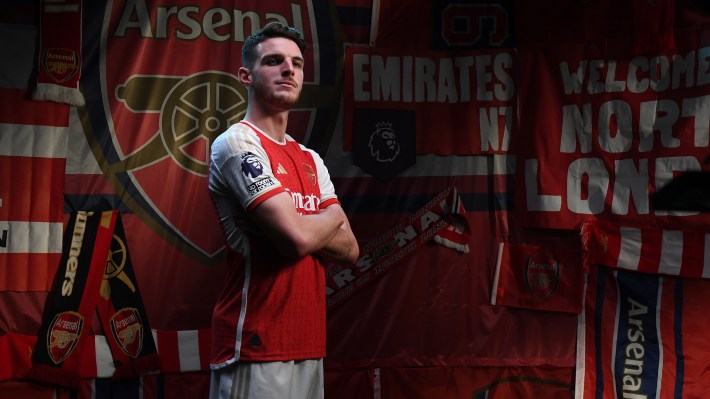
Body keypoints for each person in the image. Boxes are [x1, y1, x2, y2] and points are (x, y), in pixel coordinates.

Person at [207, 22, 359, 399]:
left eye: (296, 63)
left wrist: (309, 227)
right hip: (256, 344)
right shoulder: (236, 143)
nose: (289, 69)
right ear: (246, 75)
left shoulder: (309, 158)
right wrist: (331, 217)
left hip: (308, 343)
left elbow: (351, 250)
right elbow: (297, 240)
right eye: (274, 61)